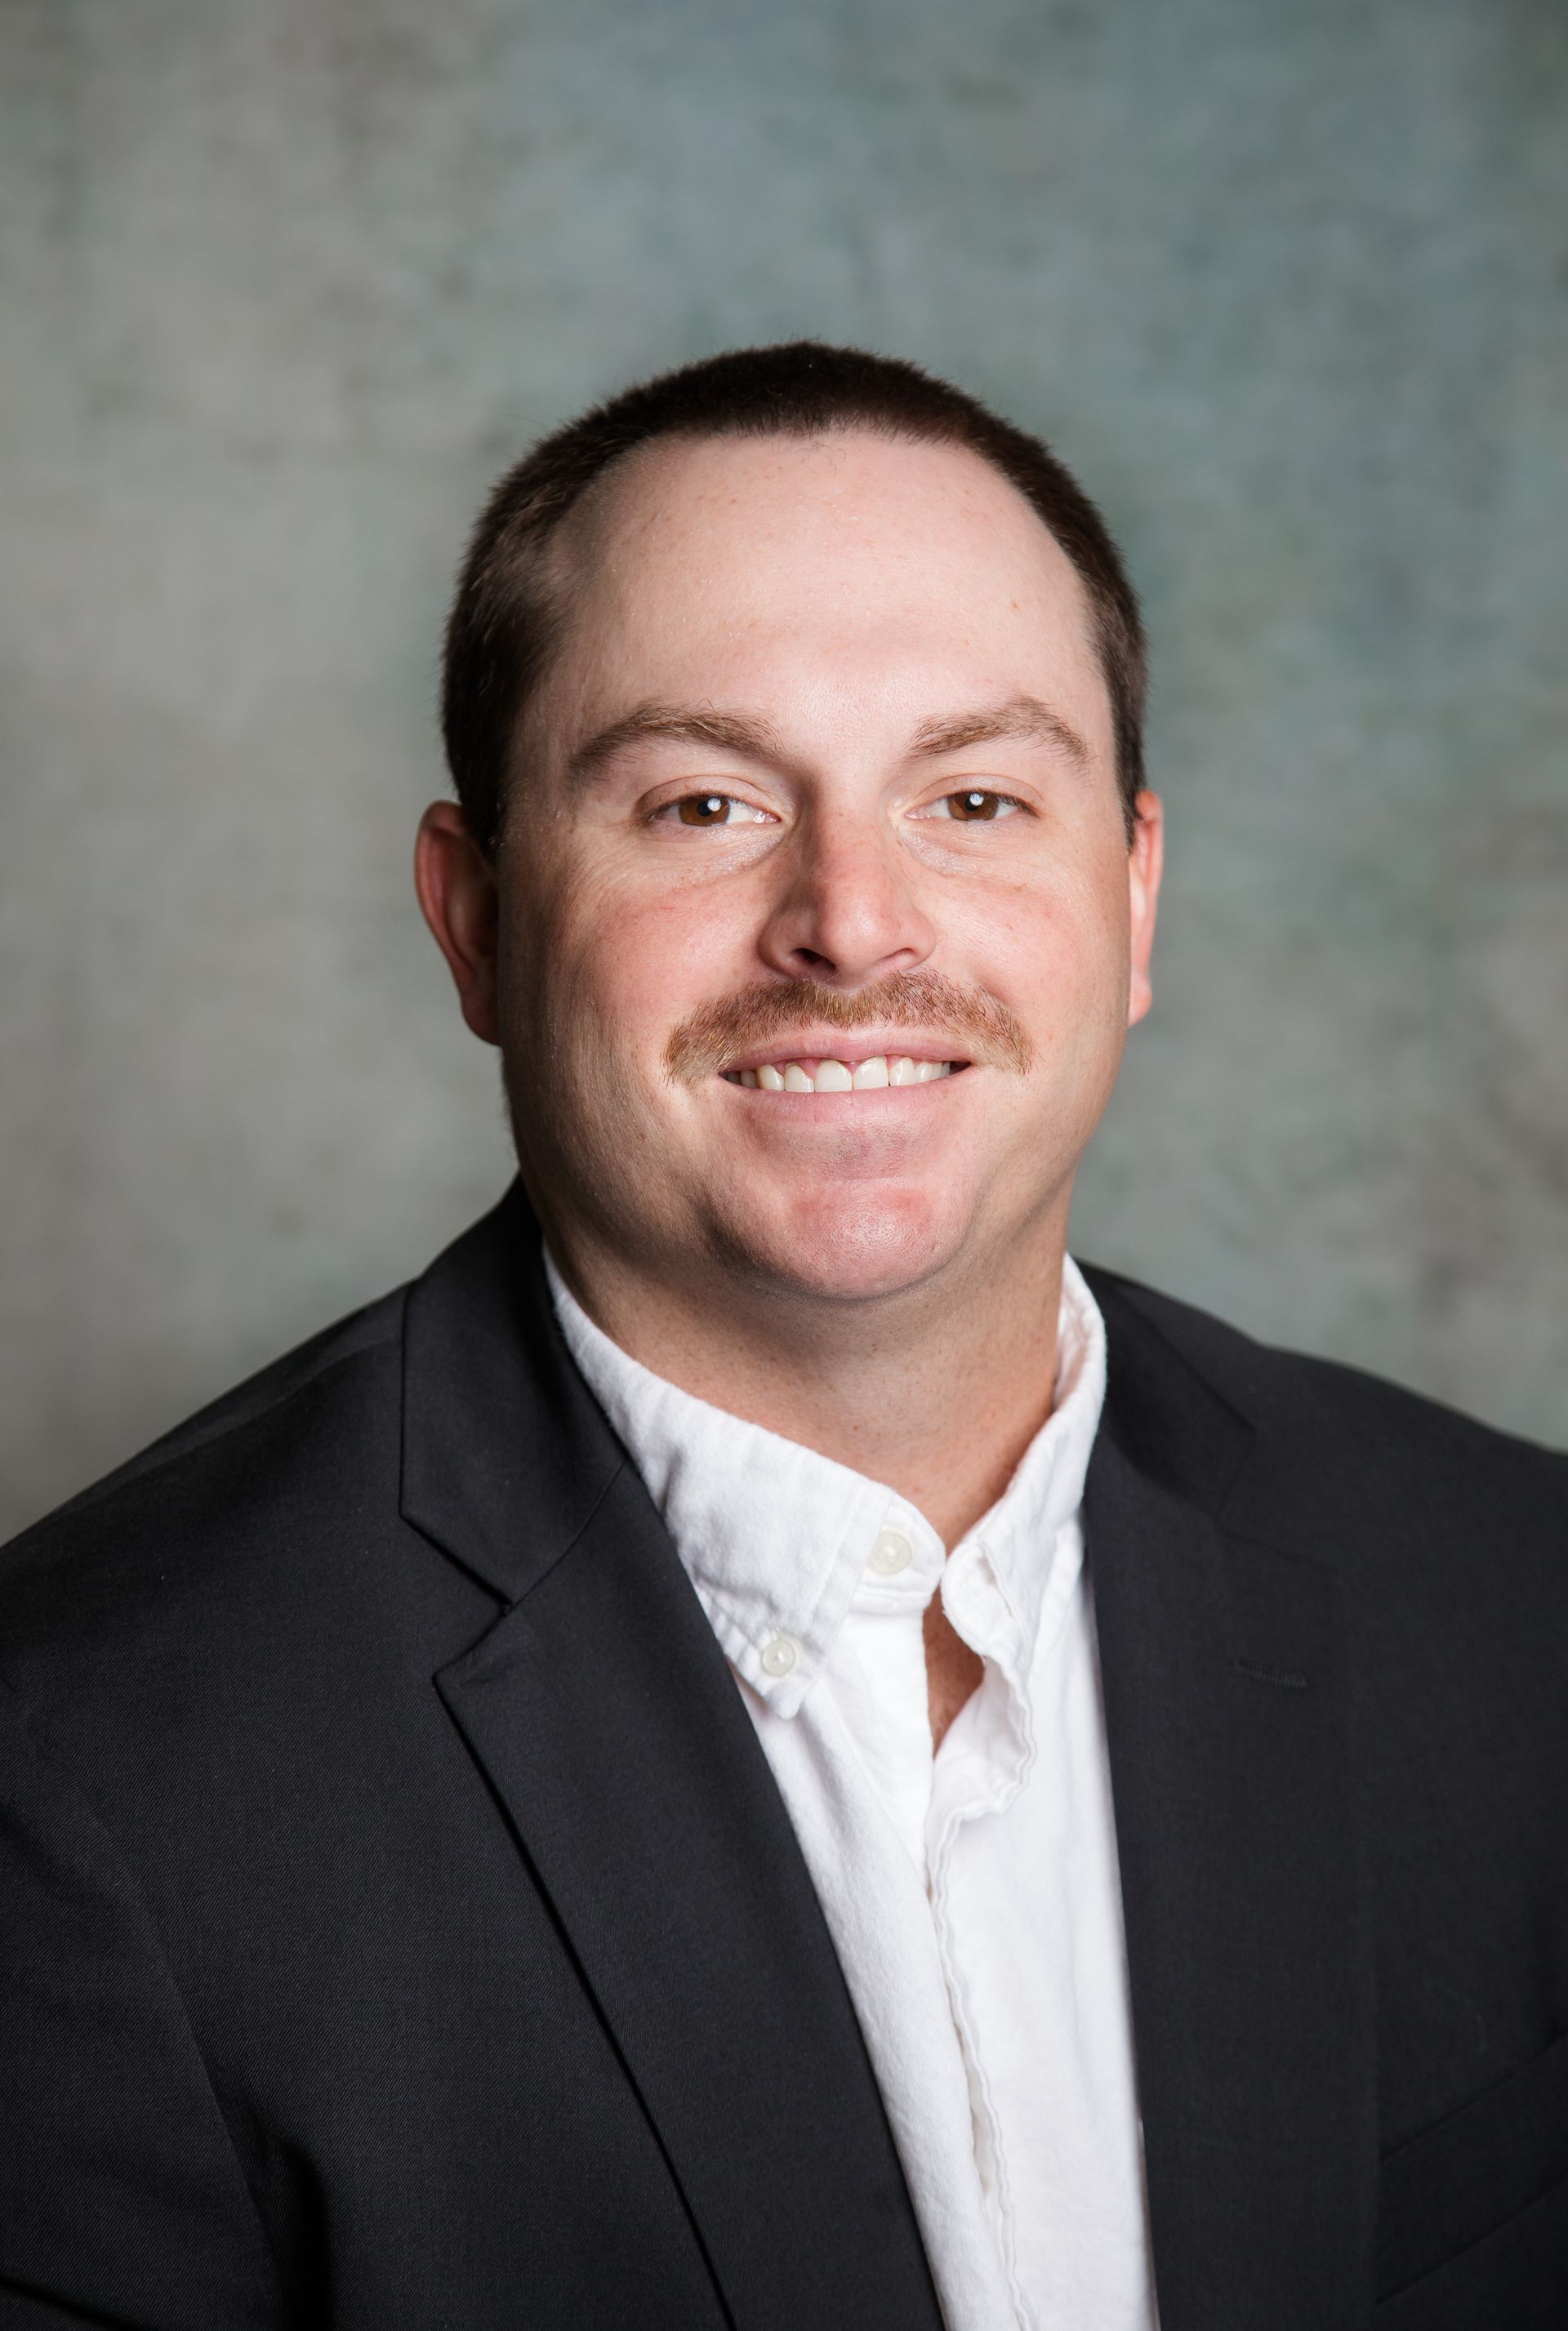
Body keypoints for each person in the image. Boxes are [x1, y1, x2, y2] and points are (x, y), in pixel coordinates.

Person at [2, 342, 1564, 2331]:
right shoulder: (81, 1781)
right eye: (704, 800)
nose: (850, 921)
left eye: (976, 795)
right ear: (475, 918)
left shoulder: (1522, 1606)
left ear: (1138, 891)